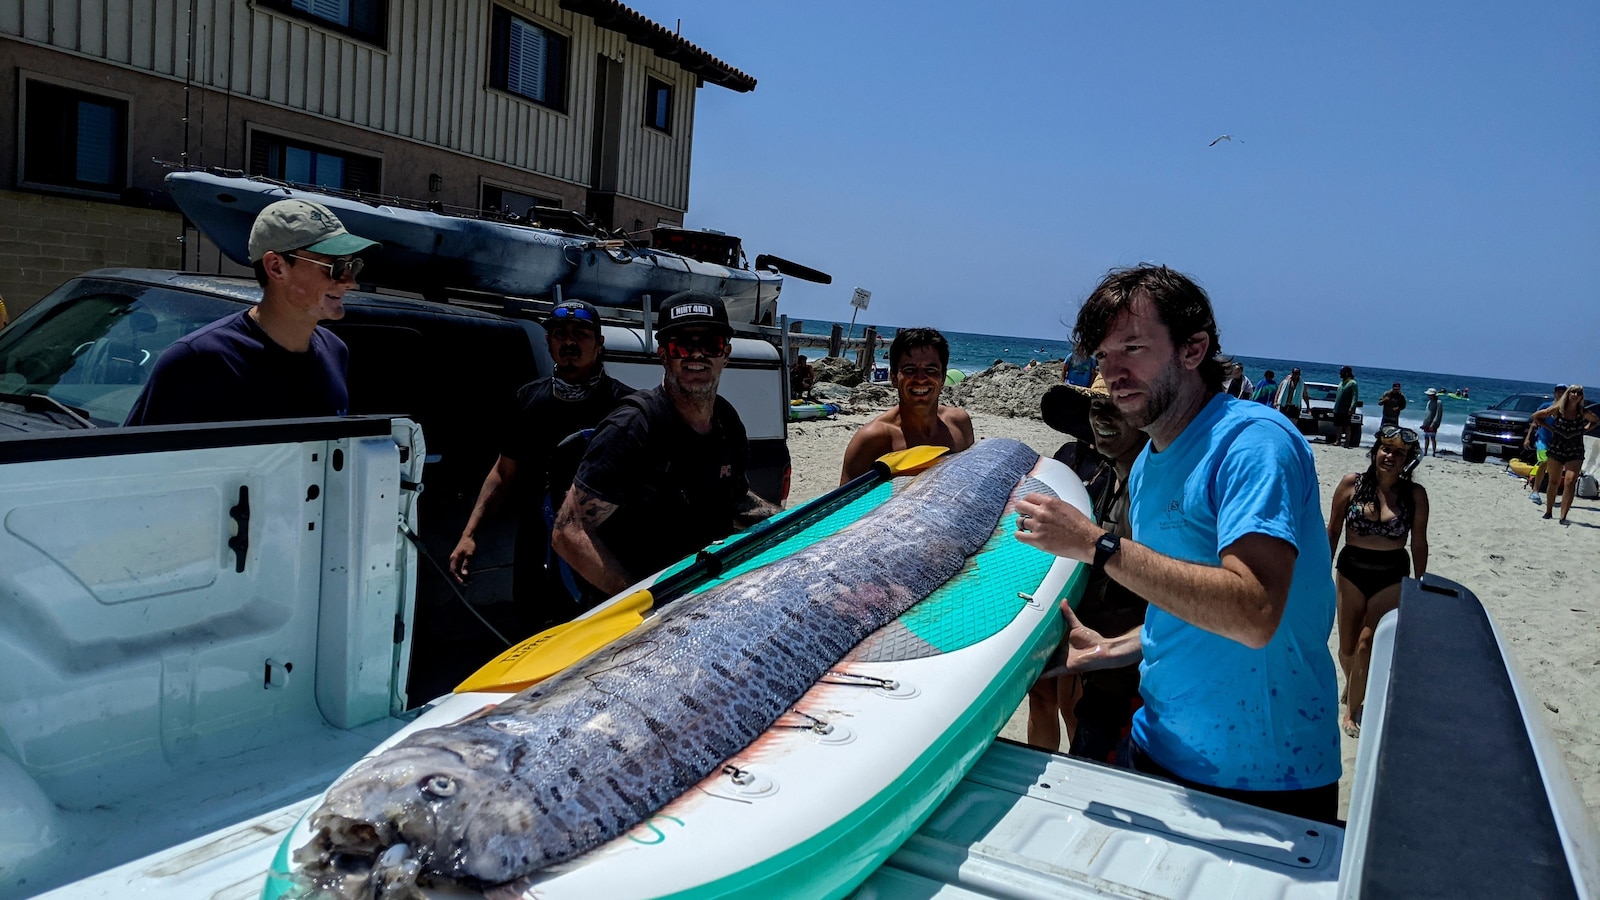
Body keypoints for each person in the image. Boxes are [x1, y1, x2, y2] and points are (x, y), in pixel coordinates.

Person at [1014, 264, 1340, 824]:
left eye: (1133, 349)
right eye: (1103, 355)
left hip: (1265, 775)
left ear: (1194, 349)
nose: (1112, 373)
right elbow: (1187, 600)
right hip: (1157, 746)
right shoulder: (1148, 466)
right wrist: (1114, 648)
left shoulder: (1252, 444)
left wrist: (1098, 544)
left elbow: (1254, 611)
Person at [553, 292, 782, 594]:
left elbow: (738, 500)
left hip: (704, 586)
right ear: (663, 354)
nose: (696, 355)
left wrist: (793, 525)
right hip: (644, 600)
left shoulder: (727, 421)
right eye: (681, 345)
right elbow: (568, 532)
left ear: (725, 355)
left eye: (710, 345)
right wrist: (641, 601)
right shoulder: (632, 427)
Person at [448, 300, 636, 631]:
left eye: (581, 333)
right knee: (536, 636)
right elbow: (503, 473)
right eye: (560, 334)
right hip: (537, 551)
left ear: (599, 343)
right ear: (548, 343)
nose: (570, 342)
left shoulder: (626, 406)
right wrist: (470, 534)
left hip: (603, 548)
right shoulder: (528, 400)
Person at [125, 199, 378, 426]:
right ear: (276, 267)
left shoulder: (335, 351)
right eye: (334, 266)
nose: (349, 281)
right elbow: (133, 466)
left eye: (352, 265)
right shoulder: (197, 361)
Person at [1027, 375, 1150, 761]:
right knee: (1051, 704)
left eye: (1117, 407)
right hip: (1077, 623)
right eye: (1097, 406)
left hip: (1122, 652)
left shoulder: (1149, 483)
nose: (1104, 418)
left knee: (1084, 722)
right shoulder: (1084, 464)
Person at [1327, 425, 1429, 738]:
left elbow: (1419, 543)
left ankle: (1352, 711)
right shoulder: (1350, 484)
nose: (1390, 456)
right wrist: (1321, 569)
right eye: (1386, 449)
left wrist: (1420, 583)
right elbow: (1332, 531)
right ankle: (1354, 685)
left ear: (1408, 460)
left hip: (1391, 574)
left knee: (1365, 643)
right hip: (1351, 571)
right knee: (1346, 649)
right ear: (1376, 451)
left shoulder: (1414, 496)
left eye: (1399, 453)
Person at [838, 327, 976, 483]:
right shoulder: (872, 439)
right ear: (894, 378)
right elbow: (844, 504)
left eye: (931, 370)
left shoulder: (959, 423)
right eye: (910, 370)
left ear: (943, 377)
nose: (921, 378)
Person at [1529, 385, 1599, 525]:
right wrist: (1549, 427)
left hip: (1575, 449)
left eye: (1579, 392)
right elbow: (1536, 416)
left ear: (1581, 396)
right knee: (1553, 481)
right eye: (1573, 391)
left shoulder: (1582, 412)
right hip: (1557, 447)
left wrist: (1584, 430)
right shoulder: (1558, 410)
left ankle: (1563, 516)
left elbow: (1596, 420)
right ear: (1568, 393)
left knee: (1570, 481)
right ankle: (1549, 511)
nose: (1575, 394)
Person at [1332, 366, 1360, 448]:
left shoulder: (1353, 383)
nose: (1341, 374)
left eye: (1342, 372)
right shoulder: (1341, 383)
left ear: (1347, 373)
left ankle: (1347, 442)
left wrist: (1352, 407)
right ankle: (1338, 440)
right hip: (1338, 408)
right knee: (1338, 425)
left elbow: (1355, 396)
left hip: (1346, 408)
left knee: (1347, 425)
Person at [1420, 388, 1443, 456]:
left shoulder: (1438, 402)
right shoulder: (1429, 402)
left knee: (1433, 438)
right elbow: (1427, 414)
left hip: (1433, 423)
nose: (1429, 396)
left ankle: (1433, 452)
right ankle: (1425, 452)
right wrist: (1424, 423)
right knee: (1426, 437)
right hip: (1427, 422)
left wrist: (1434, 423)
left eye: (1430, 395)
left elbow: (1438, 414)